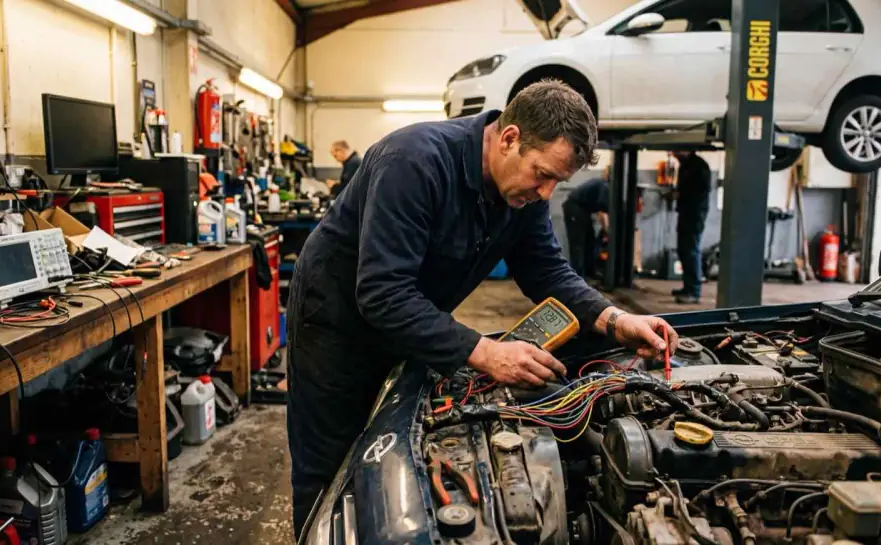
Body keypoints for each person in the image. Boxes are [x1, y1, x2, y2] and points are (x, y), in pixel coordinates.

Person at [286, 80, 679, 538]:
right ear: (509, 138)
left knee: (388, 452)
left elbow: (545, 270)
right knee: (329, 469)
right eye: (543, 174)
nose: (547, 192)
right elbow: (382, 292)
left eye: (559, 181)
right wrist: (487, 353)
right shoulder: (414, 162)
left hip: (408, 318)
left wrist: (616, 320)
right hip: (336, 324)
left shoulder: (523, 191)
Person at [672, 150, 712, 304]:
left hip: (695, 214)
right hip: (685, 213)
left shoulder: (699, 166)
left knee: (691, 251)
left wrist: (683, 196)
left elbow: (700, 191)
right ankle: (687, 287)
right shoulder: (685, 165)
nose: (673, 154)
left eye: (676, 151)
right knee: (683, 250)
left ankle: (694, 291)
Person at [562, 165, 611, 278]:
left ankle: (589, 273)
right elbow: (602, 212)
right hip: (574, 208)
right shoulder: (604, 186)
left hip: (584, 211)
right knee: (578, 244)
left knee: (590, 241)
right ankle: (578, 277)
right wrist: (607, 231)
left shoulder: (603, 185)